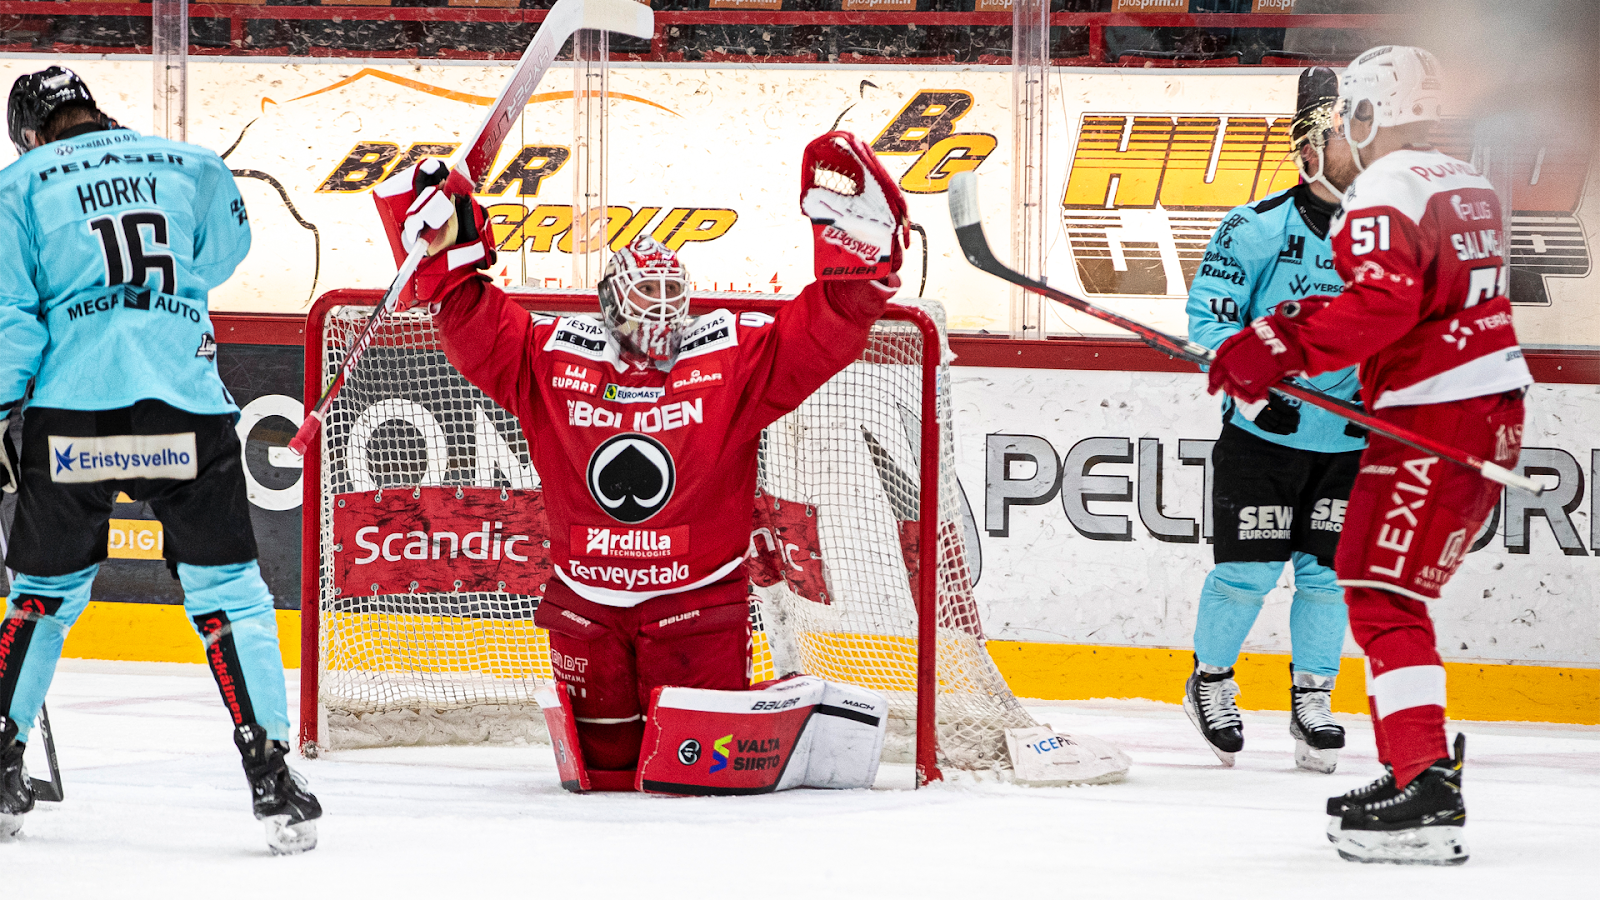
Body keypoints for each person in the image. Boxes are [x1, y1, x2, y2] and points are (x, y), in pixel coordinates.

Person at [378, 132, 907, 789]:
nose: (659, 311)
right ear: (611, 299)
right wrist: (444, 240)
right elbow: (467, 316)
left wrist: (858, 271)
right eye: (644, 293)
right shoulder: (551, 355)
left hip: (696, 614)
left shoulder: (730, 358)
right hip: (587, 616)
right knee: (600, 784)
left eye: (669, 293)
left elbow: (818, 335)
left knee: (697, 793)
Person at [1206, 45, 1530, 865]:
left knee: (1380, 594)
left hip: (1435, 417)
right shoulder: (1467, 182)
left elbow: (1383, 304)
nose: (1338, 146)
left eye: (1347, 122)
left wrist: (1275, 341)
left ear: (1368, 115)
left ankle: (1423, 782)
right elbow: (1422, 297)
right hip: (1482, 409)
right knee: (1371, 576)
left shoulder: (1383, 189)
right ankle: (1415, 762)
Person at [0, 67, 320, 853]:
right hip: (182, 407)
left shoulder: (17, 186)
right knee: (233, 598)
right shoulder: (190, 164)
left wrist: (3, 412)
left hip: (74, 416)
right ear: (96, 110)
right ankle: (272, 774)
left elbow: (14, 320)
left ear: (32, 133)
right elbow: (219, 256)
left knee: (42, 596)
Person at [1182, 66, 1364, 774]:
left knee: (1328, 576)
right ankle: (1211, 683)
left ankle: (1313, 699)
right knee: (1245, 575)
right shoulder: (1254, 228)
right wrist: (1259, 395)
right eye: (1343, 138)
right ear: (1309, 148)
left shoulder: (1388, 237)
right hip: (1263, 439)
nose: (1358, 153)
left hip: (1348, 441)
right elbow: (1207, 323)